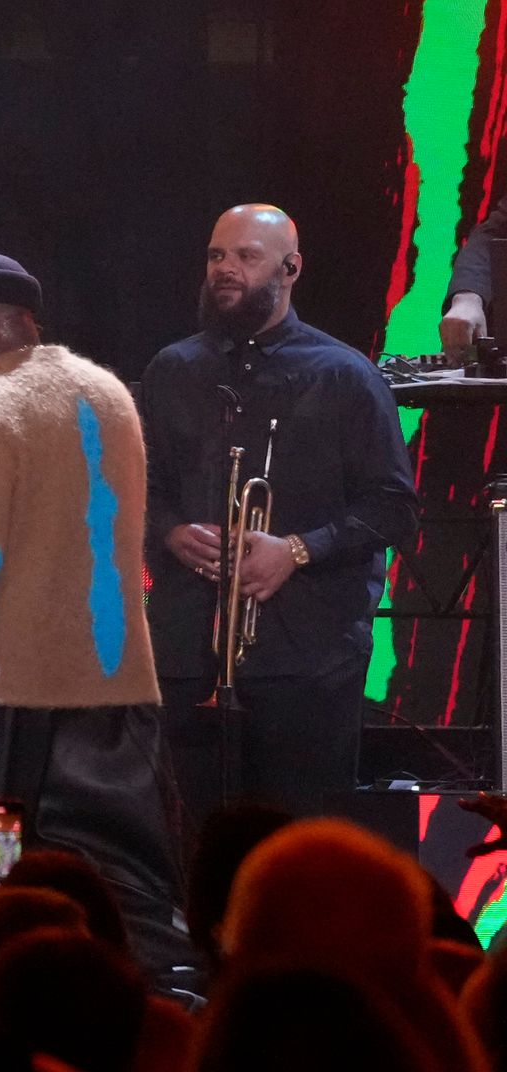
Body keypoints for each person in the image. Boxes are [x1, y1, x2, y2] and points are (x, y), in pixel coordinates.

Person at [0, 250, 192, 973]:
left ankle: (14, 1006)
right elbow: (58, 515)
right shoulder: (106, 392)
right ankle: (154, 1011)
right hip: (115, 694)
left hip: (11, 714)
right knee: (123, 880)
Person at [139, 203, 415, 824]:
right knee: (186, 839)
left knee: (300, 850)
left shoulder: (345, 375)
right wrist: (171, 532)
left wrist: (295, 550)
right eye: (216, 256)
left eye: (245, 256)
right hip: (188, 653)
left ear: (290, 269)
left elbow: (395, 508)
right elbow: (137, 489)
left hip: (307, 661)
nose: (225, 270)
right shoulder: (173, 369)